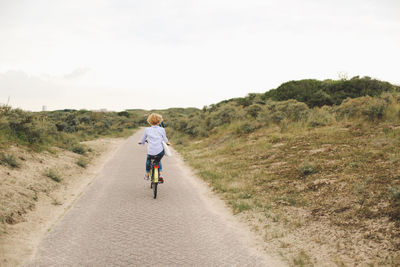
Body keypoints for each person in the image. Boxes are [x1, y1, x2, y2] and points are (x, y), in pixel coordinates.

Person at [139, 113, 170, 182]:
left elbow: (143, 138)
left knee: (148, 160)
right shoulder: (162, 129)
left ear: (149, 121)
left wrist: (142, 142)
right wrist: (167, 143)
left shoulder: (147, 129)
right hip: (160, 151)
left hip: (151, 151)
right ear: (159, 121)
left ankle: (147, 175)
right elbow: (165, 138)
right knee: (158, 161)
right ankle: (160, 175)